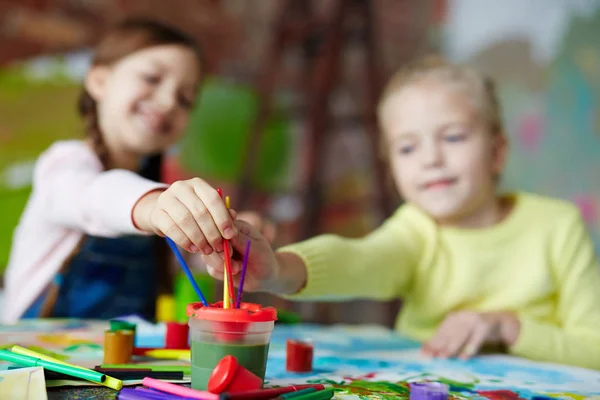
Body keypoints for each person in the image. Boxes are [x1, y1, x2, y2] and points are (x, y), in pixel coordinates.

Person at [202, 56, 600, 370]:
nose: (431, 159)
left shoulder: (558, 225)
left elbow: (594, 351)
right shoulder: (416, 230)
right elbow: (360, 259)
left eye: (453, 136)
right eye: (408, 147)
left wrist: (508, 328)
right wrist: (277, 269)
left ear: (497, 152)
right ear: (392, 168)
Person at [3, 18, 272, 324]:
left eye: (186, 99)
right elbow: (94, 197)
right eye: (151, 78)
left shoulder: (154, 185)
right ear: (100, 81)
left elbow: (179, 259)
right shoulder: (64, 165)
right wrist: (156, 206)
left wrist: (221, 244)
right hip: (40, 359)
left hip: (125, 363)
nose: (169, 101)